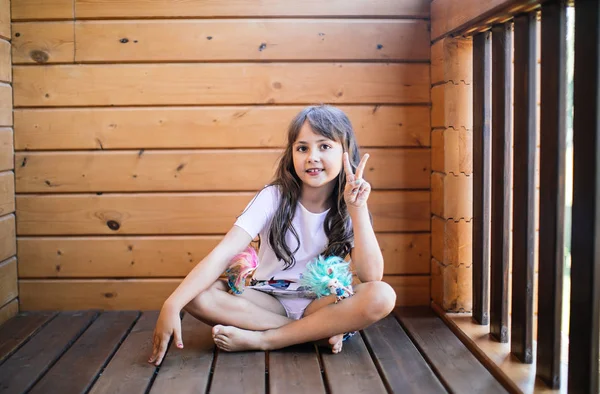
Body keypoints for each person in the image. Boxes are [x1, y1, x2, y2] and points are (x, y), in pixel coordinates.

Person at [148, 105, 396, 365]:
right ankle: (313, 334)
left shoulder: (350, 203)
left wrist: (358, 209)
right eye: (302, 148)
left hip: (322, 304)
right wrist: (172, 304)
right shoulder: (273, 196)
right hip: (267, 301)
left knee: (382, 295)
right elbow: (224, 252)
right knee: (196, 295)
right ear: (291, 154)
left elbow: (371, 277)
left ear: (346, 152)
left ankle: (266, 340)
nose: (312, 156)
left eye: (324, 146)